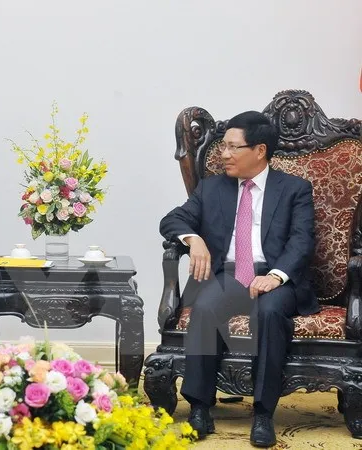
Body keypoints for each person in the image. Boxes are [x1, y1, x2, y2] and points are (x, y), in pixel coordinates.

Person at [159, 111, 317, 447]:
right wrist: (194, 239)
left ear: (259, 151)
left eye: (233, 147)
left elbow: (302, 241)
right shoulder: (212, 188)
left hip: (276, 277)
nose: (224, 154)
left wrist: (275, 276)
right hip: (230, 274)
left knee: (270, 312)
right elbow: (172, 219)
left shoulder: (295, 189)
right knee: (204, 307)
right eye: (223, 146)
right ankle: (200, 407)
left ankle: (263, 413)